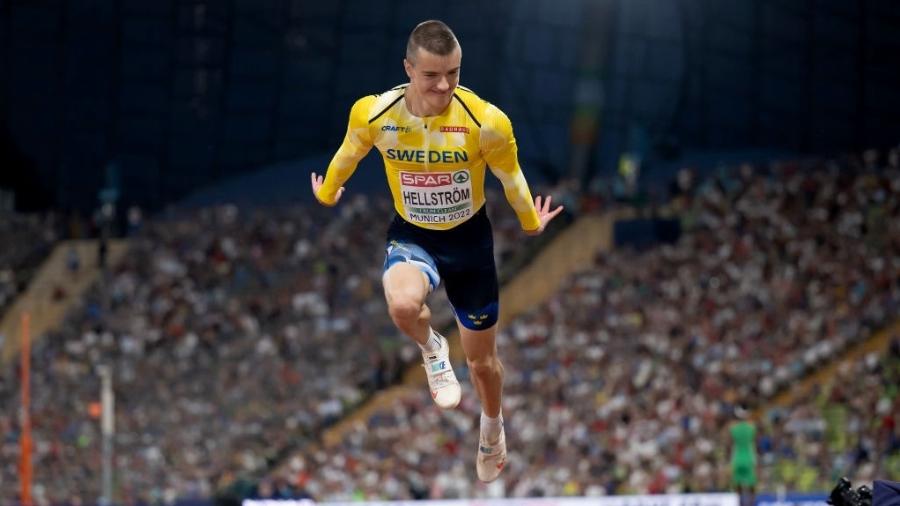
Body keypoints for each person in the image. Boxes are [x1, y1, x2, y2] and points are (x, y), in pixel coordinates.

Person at [310, 19, 563, 482]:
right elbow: (349, 152)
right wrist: (328, 192)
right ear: (408, 68)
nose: (444, 85)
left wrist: (530, 221)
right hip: (414, 234)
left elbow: (512, 178)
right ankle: (431, 347)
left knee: (483, 364)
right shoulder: (374, 113)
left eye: (454, 73)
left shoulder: (486, 122)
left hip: (469, 243)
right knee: (403, 305)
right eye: (431, 75)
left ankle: (492, 428)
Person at [730, 404, 758, 506]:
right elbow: (753, 444)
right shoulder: (752, 428)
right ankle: (752, 503)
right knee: (752, 484)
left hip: (737, 458)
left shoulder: (733, 428)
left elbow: (731, 444)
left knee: (738, 484)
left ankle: (739, 504)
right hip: (748, 457)